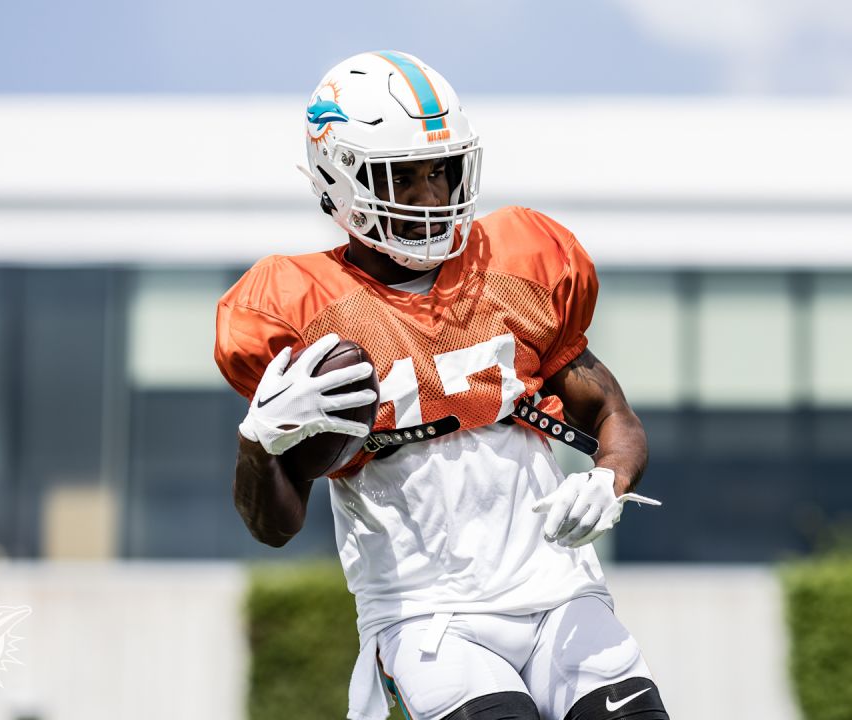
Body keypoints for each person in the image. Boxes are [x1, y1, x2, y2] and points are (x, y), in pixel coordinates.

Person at [215, 50, 670, 720]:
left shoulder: (515, 264)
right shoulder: (303, 310)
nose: (433, 198)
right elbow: (273, 525)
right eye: (405, 178)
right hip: (430, 618)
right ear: (339, 179)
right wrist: (259, 443)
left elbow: (613, 414)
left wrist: (609, 478)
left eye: (442, 171)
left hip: (558, 593)